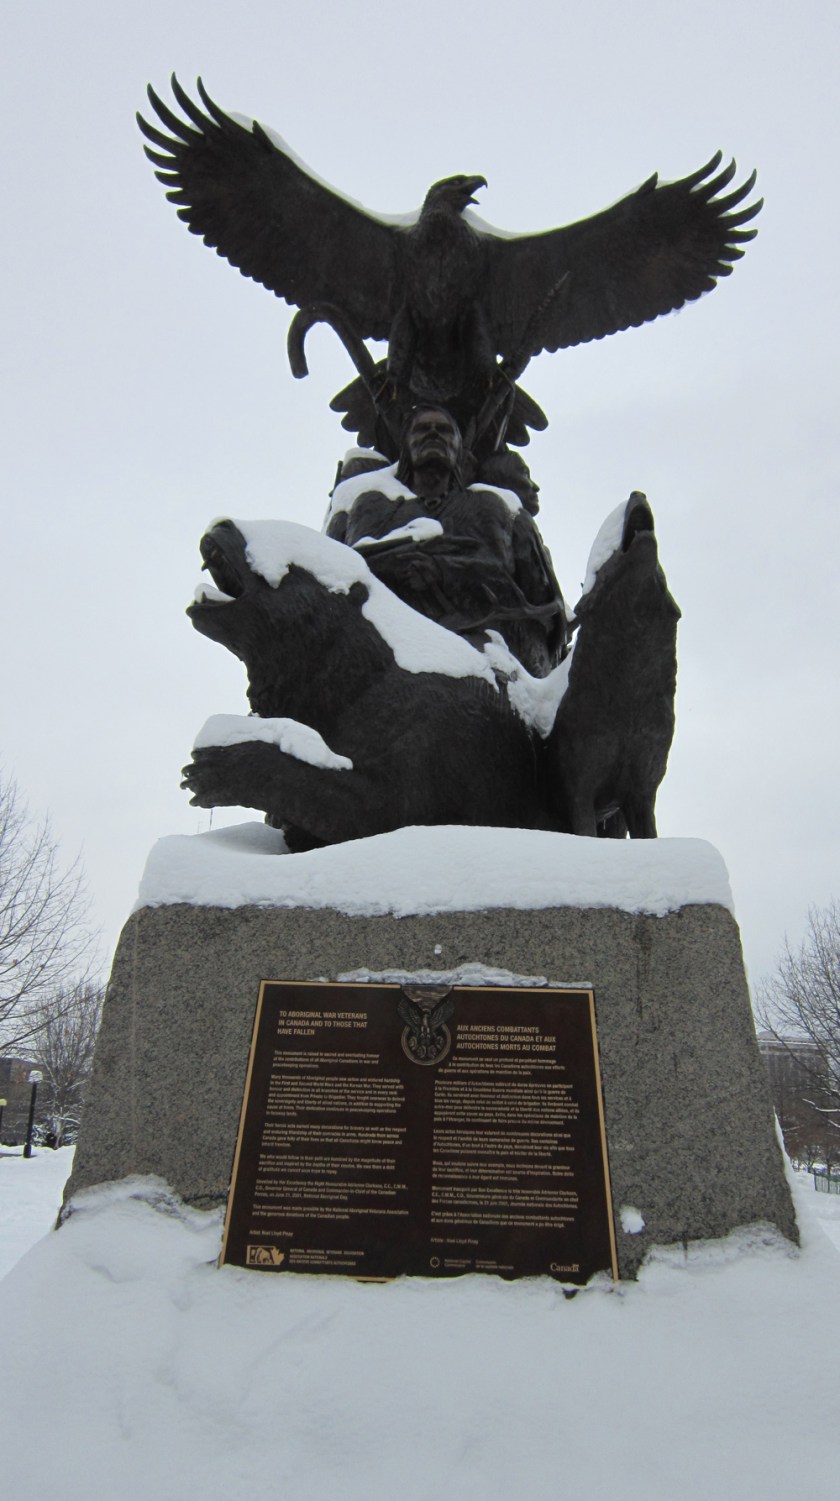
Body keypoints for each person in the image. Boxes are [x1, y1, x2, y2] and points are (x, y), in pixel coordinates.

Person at [325, 406, 567, 677]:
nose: (433, 435)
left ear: (458, 447)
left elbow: (502, 575)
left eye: (444, 430)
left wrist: (441, 570)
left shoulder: (488, 505)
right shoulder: (373, 505)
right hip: (384, 640)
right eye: (422, 429)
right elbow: (346, 569)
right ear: (406, 446)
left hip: (477, 644)